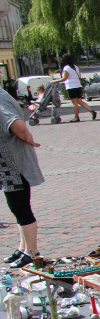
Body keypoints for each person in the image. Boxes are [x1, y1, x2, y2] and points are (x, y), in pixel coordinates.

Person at [0, 88, 45, 269]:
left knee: (20, 207)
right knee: (17, 208)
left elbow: (17, 125)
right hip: (8, 165)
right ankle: (23, 247)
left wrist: (29, 139)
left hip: (14, 164)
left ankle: (32, 252)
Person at [57, 54, 96, 122]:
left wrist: (55, 80)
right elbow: (79, 75)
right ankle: (91, 111)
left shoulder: (66, 68)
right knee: (80, 101)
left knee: (75, 103)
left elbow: (64, 78)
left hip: (71, 87)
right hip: (78, 86)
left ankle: (76, 117)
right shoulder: (76, 67)